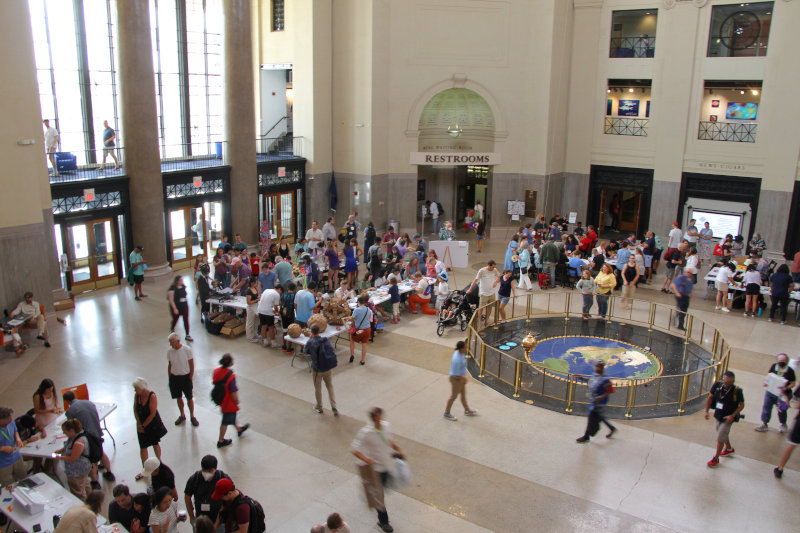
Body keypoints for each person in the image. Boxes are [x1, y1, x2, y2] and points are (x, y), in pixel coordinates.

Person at [351, 407, 404, 533]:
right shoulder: (366, 433)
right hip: (376, 469)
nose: (379, 421)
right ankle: (383, 522)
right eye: (376, 419)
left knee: (381, 491)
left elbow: (388, 440)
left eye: (380, 418)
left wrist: (397, 448)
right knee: (380, 496)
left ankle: (372, 493)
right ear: (372, 419)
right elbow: (354, 449)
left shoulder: (386, 426)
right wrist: (367, 460)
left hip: (387, 466)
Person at [63, 391, 115, 485]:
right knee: (101, 452)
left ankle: (95, 481)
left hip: (87, 436)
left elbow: (72, 427)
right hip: (97, 431)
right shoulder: (89, 402)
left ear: (67, 401)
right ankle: (109, 472)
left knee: (91, 459)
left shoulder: (70, 411)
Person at [705, 371, 744, 468]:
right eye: (727, 383)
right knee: (721, 432)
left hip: (728, 419)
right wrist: (706, 411)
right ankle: (729, 448)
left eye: (731, 383)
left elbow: (742, 405)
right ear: (723, 380)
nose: (728, 385)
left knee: (720, 436)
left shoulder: (737, 391)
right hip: (718, 415)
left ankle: (716, 458)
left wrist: (733, 415)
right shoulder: (717, 386)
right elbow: (710, 397)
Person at [183, 454, 231, 525]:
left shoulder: (223, 478)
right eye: (204, 471)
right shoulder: (194, 479)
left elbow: (232, 495)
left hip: (220, 520)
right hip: (201, 520)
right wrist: (192, 517)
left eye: (210, 471)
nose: (207, 474)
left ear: (215, 468)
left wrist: (225, 507)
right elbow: (187, 497)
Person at [213, 353, 249, 448]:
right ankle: (221, 440)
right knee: (226, 420)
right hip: (228, 402)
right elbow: (233, 391)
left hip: (220, 398)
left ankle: (238, 429)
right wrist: (236, 401)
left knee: (231, 416)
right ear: (229, 363)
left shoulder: (216, 371)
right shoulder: (231, 377)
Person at [754, 353, 795, 434]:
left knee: (782, 410)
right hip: (771, 392)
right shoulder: (774, 366)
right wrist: (765, 382)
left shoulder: (790, 371)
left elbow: (793, 383)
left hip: (783, 394)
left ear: (787, 361)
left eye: (783, 361)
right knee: (767, 407)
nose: (781, 362)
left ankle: (783, 424)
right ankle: (764, 423)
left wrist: (786, 388)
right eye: (780, 360)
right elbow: (768, 376)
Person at [133, 377, 168, 473]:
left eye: (136, 388)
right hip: (141, 424)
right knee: (143, 446)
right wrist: (139, 424)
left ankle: (159, 461)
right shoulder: (137, 396)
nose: (135, 390)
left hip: (152, 424)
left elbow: (152, 414)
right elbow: (135, 410)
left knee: (155, 443)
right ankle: (145, 467)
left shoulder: (152, 396)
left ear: (142, 388)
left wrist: (143, 425)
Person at [576, 361, 616, 442]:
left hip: (599, 403)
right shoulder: (595, 375)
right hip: (594, 401)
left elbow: (608, 392)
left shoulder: (605, 380)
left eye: (598, 367)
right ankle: (611, 428)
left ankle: (586, 436)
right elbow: (591, 381)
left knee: (591, 417)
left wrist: (600, 398)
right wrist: (581, 378)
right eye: (595, 367)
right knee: (599, 416)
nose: (596, 368)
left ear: (602, 368)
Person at [306, 324, 339, 416]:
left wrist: (310, 338)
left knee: (318, 388)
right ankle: (333, 406)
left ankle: (319, 407)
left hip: (317, 369)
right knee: (330, 386)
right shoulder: (326, 340)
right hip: (327, 367)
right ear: (320, 331)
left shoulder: (311, 342)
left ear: (311, 332)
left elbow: (306, 351)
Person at [55, 418, 92, 499]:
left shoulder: (79, 441)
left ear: (71, 430)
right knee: (85, 485)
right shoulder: (75, 436)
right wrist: (61, 450)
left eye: (65, 432)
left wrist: (59, 457)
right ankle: (91, 501)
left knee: (78, 492)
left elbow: (73, 458)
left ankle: (83, 506)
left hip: (77, 471)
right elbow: (69, 447)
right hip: (82, 468)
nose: (64, 433)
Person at [166, 332, 197, 427]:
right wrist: (170, 377)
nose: (171, 344)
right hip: (175, 378)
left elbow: (191, 364)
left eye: (172, 342)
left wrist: (190, 377)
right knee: (178, 397)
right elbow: (170, 365)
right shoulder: (170, 352)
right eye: (170, 342)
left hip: (185, 377)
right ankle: (182, 415)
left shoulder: (186, 350)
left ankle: (192, 416)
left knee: (189, 398)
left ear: (178, 341)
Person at [443, 341, 478, 421]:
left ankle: (467, 410)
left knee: (463, 395)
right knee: (453, 396)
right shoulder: (456, 359)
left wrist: (463, 378)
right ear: (462, 349)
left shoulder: (461, 354)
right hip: (456, 379)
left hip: (461, 378)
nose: (467, 348)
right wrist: (464, 378)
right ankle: (447, 413)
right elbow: (455, 373)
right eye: (465, 347)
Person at [468, 260, 500, 328]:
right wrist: (470, 289)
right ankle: (479, 322)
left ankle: (487, 320)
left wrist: (496, 282)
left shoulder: (495, 270)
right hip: (483, 293)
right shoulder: (482, 271)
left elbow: (499, 276)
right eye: (492, 267)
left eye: (494, 267)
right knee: (481, 308)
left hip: (491, 292)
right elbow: (475, 280)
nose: (493, 269)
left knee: (490, 306)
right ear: (489, 265)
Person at [0, 406, 27, 486]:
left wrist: (18, 439)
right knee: (9, 484)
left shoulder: (11, 422)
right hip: (3, 463)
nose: (11, 420)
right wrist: (2, 448)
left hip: (16, 456)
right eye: (8, 418)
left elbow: (15, 431)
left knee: (24, 478)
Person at [349, 295, 373, 364]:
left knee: (352, 339)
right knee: (364, 344)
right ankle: (362, 360)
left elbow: (352, 319)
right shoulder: (368, 309)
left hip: (360, 330)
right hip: (367, 329)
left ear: (358, 302)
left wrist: (348, 318)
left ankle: (352, 354)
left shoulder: (356, 310)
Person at [167, 276, 192, 341]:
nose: (182, 281)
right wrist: (175, 309)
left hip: (184, 306)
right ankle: (172, 328)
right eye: (180, 280)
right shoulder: (172, 289)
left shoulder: (183, 286)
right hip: (177, 307)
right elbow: (171, 300)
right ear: (177, 281)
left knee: (186, 320)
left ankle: (187, 334)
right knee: (175, 319)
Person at [258, 283, 283, 348]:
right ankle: (273, 343)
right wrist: (277, 312)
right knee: (271, 327)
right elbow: (276, 306)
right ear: (279, 289)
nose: (280, 293)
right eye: (281, 292)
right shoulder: (277, 294)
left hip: (260, 310)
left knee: (263, 326)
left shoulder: (266, 290)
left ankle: (265, 341)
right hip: (268, 312)